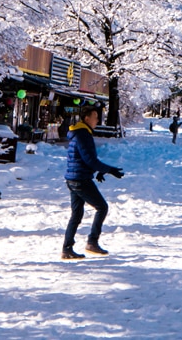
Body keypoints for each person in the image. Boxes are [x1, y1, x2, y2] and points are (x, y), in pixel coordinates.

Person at [63, 104, 124, 260]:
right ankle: (92, 242)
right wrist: (109, 170)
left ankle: (67, 249)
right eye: (95, 117)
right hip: (80, 179)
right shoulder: (82, 134)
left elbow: (83, 159)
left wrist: (98, 170)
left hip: (73, 178)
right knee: (102, 207)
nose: (97, 120)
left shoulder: (79, 133)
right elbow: (90, 160)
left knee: (76, 214)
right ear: (87, 118)